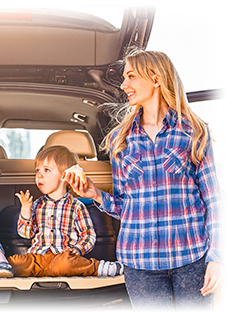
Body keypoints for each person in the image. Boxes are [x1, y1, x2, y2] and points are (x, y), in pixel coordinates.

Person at [66, 47, 223, 310]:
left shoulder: (194, 130)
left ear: (156, 79)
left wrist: (216, 258)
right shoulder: (120, 140)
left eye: (131, 77)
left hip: (192, 257)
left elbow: (213, 200)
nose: (124, 85)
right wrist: (95, 194)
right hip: (140, 264)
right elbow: (127, 207)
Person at [8, 145, 123, 277]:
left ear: (64, 176)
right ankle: (3, 267)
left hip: (62, 256)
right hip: (37, 257)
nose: (39, 175)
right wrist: (25, 209)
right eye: (37, 170)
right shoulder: (36, 205)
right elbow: (26, 234)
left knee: (66, 264)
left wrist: (78, 249)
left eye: (46, 170)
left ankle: (102, 267)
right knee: (15, 262)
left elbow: (88, 235)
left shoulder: (76, 206)